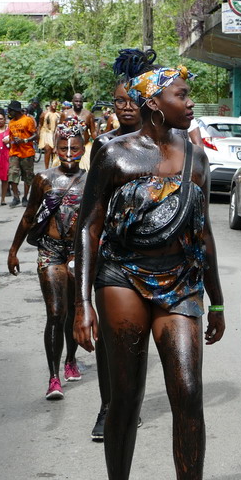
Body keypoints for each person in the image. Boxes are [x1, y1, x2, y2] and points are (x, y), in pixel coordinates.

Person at [73, 50, 226, 480]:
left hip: (180, 281)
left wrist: (219, 299)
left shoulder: (196, 155)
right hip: (121, 278)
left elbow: (202, 231)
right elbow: (89, 228)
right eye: (181, 95)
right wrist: (83, 303)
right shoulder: (115, 156)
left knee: (187, 393)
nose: (190, 102)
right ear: (154, 104)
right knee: (127, 397)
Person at [83, 50, 147, 442]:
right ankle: (109, 407)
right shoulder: (104, 145)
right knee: (111, 339)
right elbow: (94, 210)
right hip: (112, 256)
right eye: (119, 101)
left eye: (132, 100)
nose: (125, 107)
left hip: (159, 259)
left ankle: (130, 404)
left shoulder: (170, 143)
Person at [8, 126, 87, 400]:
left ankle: (71, 360)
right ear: (54, 147)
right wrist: (13, 250)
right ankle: (54, 377)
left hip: (78, 255)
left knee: (74, 311)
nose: (68, 154)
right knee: (55, 313)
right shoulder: (43, 178)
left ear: (83, 148)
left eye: (74, 148)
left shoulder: (91, 181)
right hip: (50, 251)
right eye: (63, 148)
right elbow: (30, 215)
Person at [6, 100, 38, 207]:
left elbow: (35, 135)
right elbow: (10, 138)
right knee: (12, 174)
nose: (9, 112)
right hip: (14, 152)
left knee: (27, 176)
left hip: (27, 153)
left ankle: (25, 197)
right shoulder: (11, 123)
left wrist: (24, 140)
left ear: (16, 110)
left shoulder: (28, 120)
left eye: (10, 110)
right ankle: (16, 197)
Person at [38, 101, 60, 169]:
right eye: (52, 103)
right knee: (48, 149)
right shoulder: (45, 114)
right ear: (50, 105)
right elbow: (40, 124)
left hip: (55, 133)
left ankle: (53, 167)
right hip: (46, 132)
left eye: (55, 104)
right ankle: (46, 168)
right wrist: (39, 134)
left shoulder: (58, 114)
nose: (54, 105)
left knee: (54, 151)